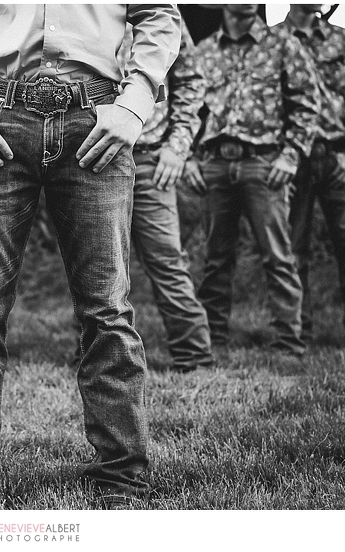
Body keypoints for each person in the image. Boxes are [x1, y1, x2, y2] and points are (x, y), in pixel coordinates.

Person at [0, 4, 181, 509]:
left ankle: (121, 480)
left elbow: (159, 15)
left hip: (96, 120)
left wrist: (134, 105)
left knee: (107, 309)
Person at [185, 4, 319, 357]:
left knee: (278, 255)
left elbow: (308, 102)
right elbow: (186, 107)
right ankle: (213, 338)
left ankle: (289, 342)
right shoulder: (204, 50)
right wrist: (188, 158)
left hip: (264, 164)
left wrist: (291, 155)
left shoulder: (282, 43)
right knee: (216, 257)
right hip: (215, 164)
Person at [276, 4, 345, 350]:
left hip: (338, 157)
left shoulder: (342, 40)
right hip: (293, 160)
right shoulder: (273, 39)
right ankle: (296, 333)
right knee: (292, 248)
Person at [122, 18, 212, 373]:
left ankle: (194, 356)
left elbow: (190, 78)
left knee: (167, 260)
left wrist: (177, 147)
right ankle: (94, 355)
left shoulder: (161, 11)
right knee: (91, 264)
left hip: (149, 157)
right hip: (88, 156)